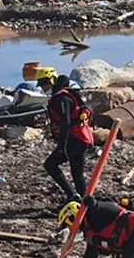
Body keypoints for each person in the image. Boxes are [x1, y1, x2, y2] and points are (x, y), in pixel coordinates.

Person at [37, 67, 94, 203]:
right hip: (83, 138)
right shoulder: (68, 94)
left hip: (75, 139)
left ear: (53, 80)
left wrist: (62, 146)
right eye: (41, 84)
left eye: (45, 83)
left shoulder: (61, 98)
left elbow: (65, 122)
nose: (44, 87)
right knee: (77, 172)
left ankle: (72, 196)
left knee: (50, 165)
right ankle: (84, 202)